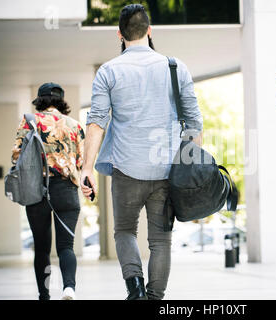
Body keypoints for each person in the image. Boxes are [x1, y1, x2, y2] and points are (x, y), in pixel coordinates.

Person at [80, 4, 203, 300]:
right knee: (161, 240)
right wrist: (191, 169)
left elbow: (96, 123)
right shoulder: (176, 67)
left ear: (119, 34)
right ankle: (154, 299)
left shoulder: (109, 71)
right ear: (150, 31)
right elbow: (195, 122)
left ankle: (134, 288)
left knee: (124, 231)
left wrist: (86, 169)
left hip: (126, 168)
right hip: (167, 170)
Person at [12, 83, 85, 300]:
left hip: (37, 190)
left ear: (40, 100)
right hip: (67, 191)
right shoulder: (75, 125)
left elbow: (17, 156)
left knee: (42, 248)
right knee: (66, 246)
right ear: (61, 101)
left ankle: (44, 295)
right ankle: (69, 288)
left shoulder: (29, 121)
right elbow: (80, 162)